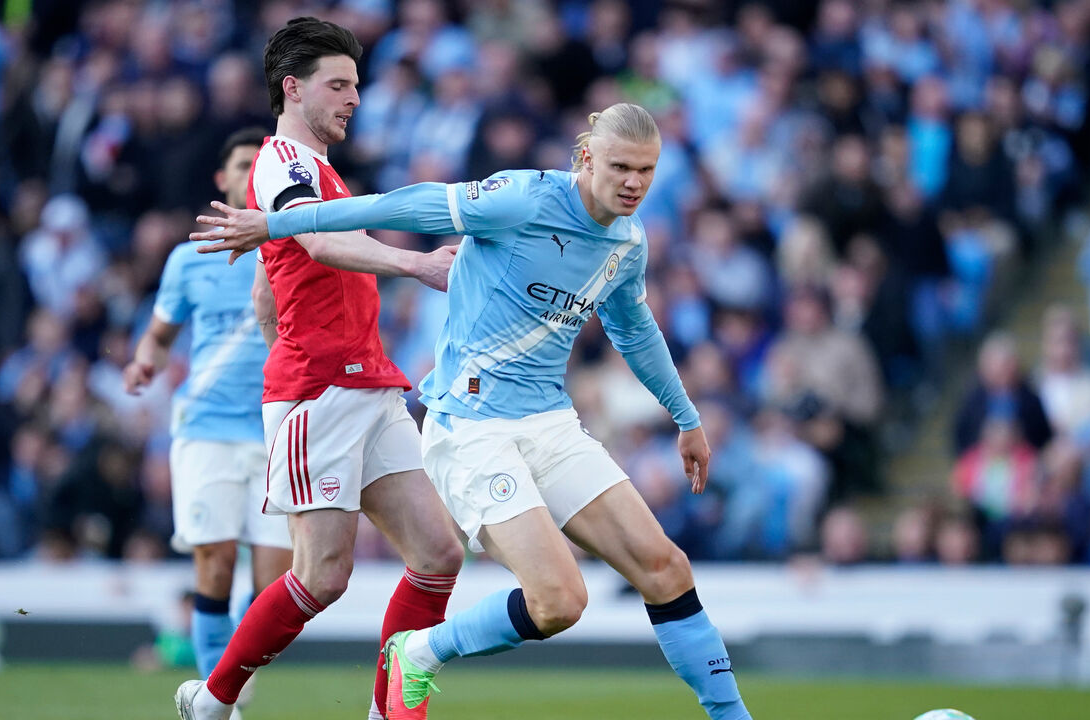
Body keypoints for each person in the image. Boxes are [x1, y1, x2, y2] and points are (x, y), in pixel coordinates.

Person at [191, 102, 753, 720]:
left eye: (647, 171)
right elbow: (397, 205)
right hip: (472, 426)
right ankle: (420, 652)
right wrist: (275, 225)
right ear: (587, 157)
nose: (634, 184)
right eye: (621, 166)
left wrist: (686, 416)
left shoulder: (628, 239)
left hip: (551, 423)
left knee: (667, 568)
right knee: (559, 600)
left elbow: (634, 327)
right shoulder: (521, 199)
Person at [174, 18, 464, 720]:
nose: (354, 98)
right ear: (292, 87)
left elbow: (268, 287)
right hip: (322, 391)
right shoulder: (281, 163)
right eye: (339, 85)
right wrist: (413, 262)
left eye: (357, 86)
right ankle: (212, 699)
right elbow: (319, 241)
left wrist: (291, 330)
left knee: (439, 554)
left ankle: (392, 710)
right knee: (323, 576)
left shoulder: (323, 171)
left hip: (369, 381)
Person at [124, 128, 293, 719]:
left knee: (276, 588)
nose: (252, 174)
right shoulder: (187, 257)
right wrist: (146, 358)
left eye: (262, 165)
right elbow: (161, 333)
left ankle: (222, 686)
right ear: (222, 180)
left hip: (279, 429)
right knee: (214, 560)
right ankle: (219, 703)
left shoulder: (299, 245)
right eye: (243, 164)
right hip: (208, 429)